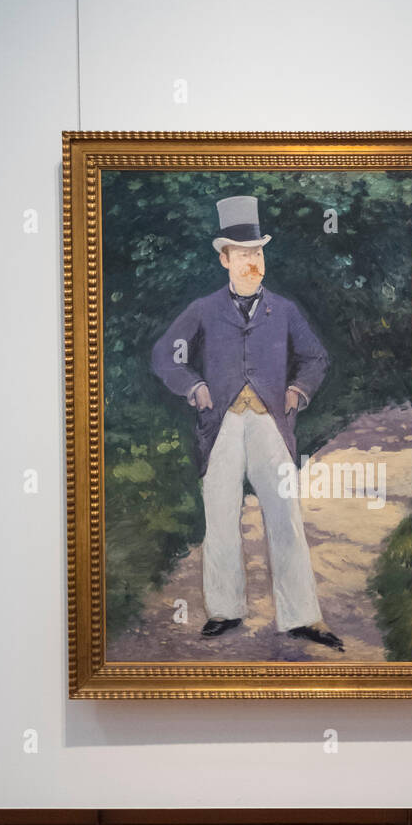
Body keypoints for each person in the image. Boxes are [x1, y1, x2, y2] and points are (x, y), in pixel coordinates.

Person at [151, 195, 343, 650]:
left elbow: (316, 356)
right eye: (243, 254)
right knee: (219, 518)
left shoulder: (285, 311)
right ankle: (225, 610)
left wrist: (297, 391)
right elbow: (166, 354)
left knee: (285, 518)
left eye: (258, 253)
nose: (252, 262)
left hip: (271, 426)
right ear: (224, 259)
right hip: (220, 426)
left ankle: (300, 616)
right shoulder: (203, 309)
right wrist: (194, 387)